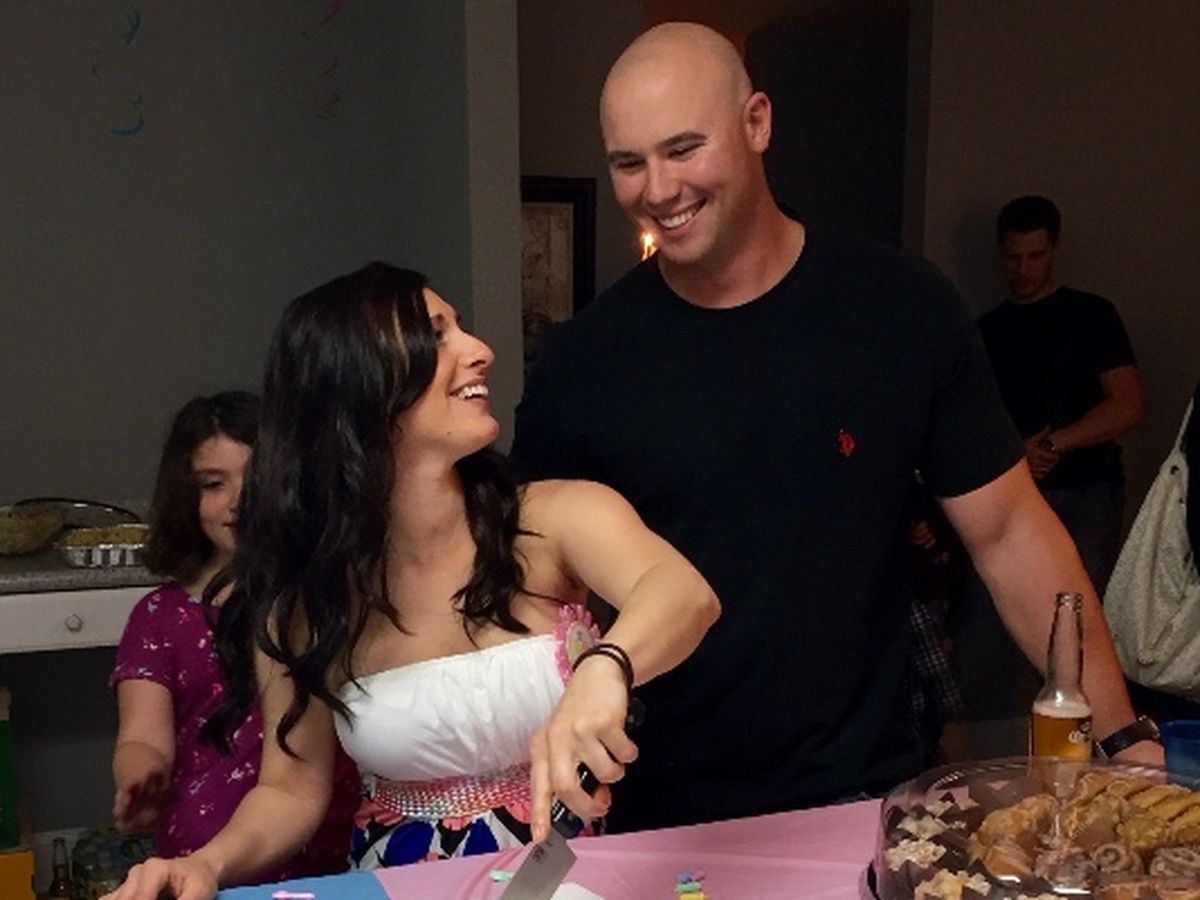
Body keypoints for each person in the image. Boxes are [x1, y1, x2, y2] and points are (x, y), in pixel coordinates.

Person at [511, 21, 1162, 833]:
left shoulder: (900, 308)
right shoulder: (583, 362)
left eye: (683, 149)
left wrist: (1122, 734)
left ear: (757, 123)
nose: (658, 187)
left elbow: (1010, 534)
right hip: (657, 812)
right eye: (628, 163)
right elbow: (527, 589)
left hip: (861, 796)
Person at [104, 263, 719, 899]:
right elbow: (291, 791)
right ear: (357, 387)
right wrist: (206, 864)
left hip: (565, 881)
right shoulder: (307, 600)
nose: (481, 350)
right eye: (436, 335)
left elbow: (683, 593)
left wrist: (607, 666)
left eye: (461, 328)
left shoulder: (554, 518)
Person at [110, 392, 355, 883]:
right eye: (213, 484)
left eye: (257, 478)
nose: (239, 501)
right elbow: (141, 734)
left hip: (336, 849)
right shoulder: (160, 615)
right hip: (208, 857)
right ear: (185, 496)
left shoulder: (329, 596)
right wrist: (140, 774)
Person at [980, 195, 1143, 594]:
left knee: (1078, 606)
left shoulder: (1092, 315)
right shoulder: (986, 331)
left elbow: (1127, 405)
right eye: (1013, 258)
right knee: (999, 607)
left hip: (1087, 487)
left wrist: (1053, 444)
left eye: (1035, 256)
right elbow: (972, 417)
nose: (1023, 270)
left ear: (1053, 249)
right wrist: (1017, 452)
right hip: (1014, 489)